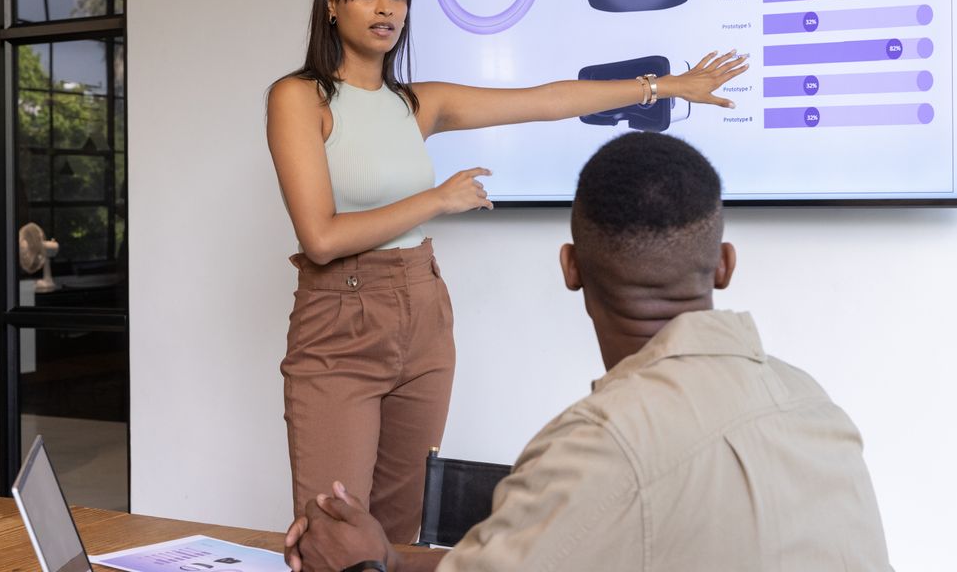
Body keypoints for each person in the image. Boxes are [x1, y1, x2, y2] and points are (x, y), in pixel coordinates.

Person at [266, 0, 749, 542]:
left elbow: (547, 100)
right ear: (332, 5)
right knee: (331, 529)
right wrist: (437, 199)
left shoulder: (416, 103)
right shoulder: (300, 97)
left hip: (422, 312)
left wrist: (667, 86)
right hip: (340, 320)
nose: (386, 9)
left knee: (395, 532)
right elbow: (320, 237)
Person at [283, 132, 893, 572]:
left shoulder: (597, 449)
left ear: (570, 268)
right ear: (725, 265)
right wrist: (388, 558)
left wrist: (356, 571)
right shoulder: (813, 408)